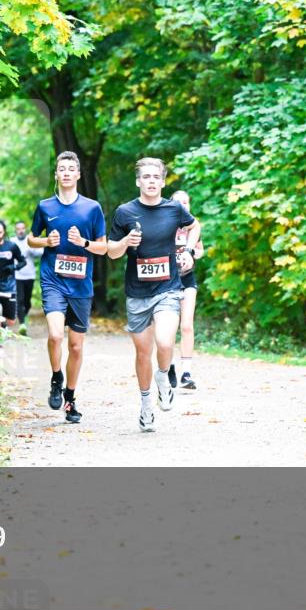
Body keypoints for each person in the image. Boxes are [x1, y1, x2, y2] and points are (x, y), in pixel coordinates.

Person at [107, 158, 201, 433]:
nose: (150, 181)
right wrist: (125, 243)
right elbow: (111, 251)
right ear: (138, 181)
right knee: (142, 352)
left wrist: (189, 252)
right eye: (145, 177)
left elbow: (195, 226)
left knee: (164, 341)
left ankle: (163, 377)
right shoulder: (124, 212)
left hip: (168, 289)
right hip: (137, 293)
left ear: (162, 181)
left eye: (155, 177)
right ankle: (146, 404)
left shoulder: (174, 209)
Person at [27, 151, 107, 424]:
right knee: (55, 335)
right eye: (62, 168)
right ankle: (56, 376)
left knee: (75, 346)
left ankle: (70, 399)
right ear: (57, 174)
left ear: (78, 175)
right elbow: (30, 239)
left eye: (71, 168)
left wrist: (83, 242)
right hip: (53, 280)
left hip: (81, 285)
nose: (67, 173)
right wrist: (45, 242)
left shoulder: (92, 208)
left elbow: (103, 246)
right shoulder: (45, 206)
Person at [171, 190, 204, 390]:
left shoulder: (193, 225)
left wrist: (191, 254)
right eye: (178, 202)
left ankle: (186, 372)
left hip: (188, 278)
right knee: (169, 327)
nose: (183, 205)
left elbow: (201, 249)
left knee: (187, 325)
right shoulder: (165, 223)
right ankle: (170, 367)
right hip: (167, 281)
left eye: (186, 202)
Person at [13, 221, 44, 334]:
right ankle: (22, 323)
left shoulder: (30, 241)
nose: (20, 230)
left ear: (25, 229)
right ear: (15, 230)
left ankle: (24, 314)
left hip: (29, 275)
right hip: (17, 275)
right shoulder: (12, 242)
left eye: (22, 228)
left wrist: (32, 249)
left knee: (27, 301)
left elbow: (41, 252)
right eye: (18, 228)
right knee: (19, 299)